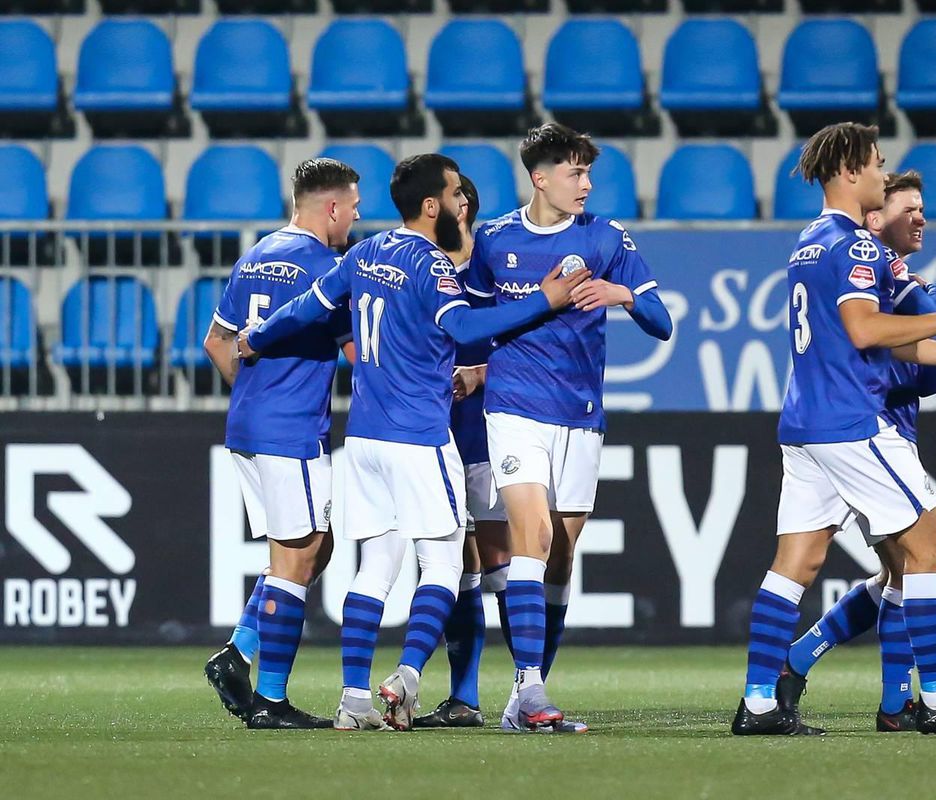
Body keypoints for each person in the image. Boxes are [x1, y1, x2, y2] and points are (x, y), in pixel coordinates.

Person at [238, 153, 590, 731]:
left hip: (365, 440)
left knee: (374, 567)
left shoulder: (365, 251)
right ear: (433, 206)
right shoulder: (431, 264)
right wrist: (544, 301)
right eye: (456, 195)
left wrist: (258, 335)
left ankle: (353, 703)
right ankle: (406, 675)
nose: (461, 204)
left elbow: (308, 307)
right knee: (446, 561)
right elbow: (467, 328)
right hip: (419, 436)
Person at [732, 122, 936, 736]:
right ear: (848, 173)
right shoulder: (857, 247)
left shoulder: (808, 241)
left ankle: (759, 702)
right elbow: (867, 333)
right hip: (851, 422)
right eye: (877, 165)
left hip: (805, 424)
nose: (883, 175)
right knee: (930, 548)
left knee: (795, 564)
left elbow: (885, 346)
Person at [463, 122, 673, 732]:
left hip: (580, 417)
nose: (586, 184)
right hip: (513, 409)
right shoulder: (494, 239)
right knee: (533, 538)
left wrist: (622, 295)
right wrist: (474, 371)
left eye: (587, 173)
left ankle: (524, 698)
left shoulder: (607, 238)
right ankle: (530, 691)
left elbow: (662, 321)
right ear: (541, 177)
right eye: (576, 173)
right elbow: (472, 322)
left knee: (561, 556)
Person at [785, 169, 936, 732]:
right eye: (907, 208)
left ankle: (883, 698)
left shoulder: (886, 275)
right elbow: (907, 368)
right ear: (874, 216)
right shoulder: (871, 271)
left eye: (923, 207)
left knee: (899, 571)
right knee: (916, 560)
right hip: (865, 428)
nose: (919, 217)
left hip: (858, 426)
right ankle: (911, 699)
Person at [202, 157, 361, 729]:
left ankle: (239, 653)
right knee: (297, 558)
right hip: (291, 430)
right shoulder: (328, 268)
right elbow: (356, 357)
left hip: (247, 426)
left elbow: (216, 342)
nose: (357, 217)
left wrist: (254, 397)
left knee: (317, 546)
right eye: (354, 206)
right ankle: (270, 700)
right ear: (333, 207)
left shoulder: (256, 255)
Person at [412, 174, 511, 729]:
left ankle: (528, 689)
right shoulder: (417, 270)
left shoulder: (494, 268)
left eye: (463, 196)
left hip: (492, 431)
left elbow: (532, 345)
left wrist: (480, 373)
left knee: (499, 562)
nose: (460, 204)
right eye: (453, 196)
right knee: (457, 568)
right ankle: (464, 698)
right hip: (432, 434)